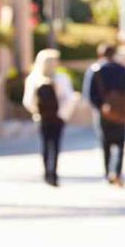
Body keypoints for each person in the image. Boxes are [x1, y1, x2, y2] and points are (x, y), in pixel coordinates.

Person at [23, 49, 75, 186]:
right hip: (57, 118)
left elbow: (28, 101)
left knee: (46, 145)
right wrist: (62, 115)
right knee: (55, 145)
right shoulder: (61, 79)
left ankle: (47, 173)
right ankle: (53, 173)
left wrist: (37, 112)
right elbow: (69, 98)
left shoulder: (33, 79)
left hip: (43, 118)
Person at [88, 44, 125, 187]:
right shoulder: (122, 70)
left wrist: (100, 107)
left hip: (104, 113)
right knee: (120, 143)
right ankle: (117, 172)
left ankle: (107, 173)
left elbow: (90, 94)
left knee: (106, 143)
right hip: (121, 112)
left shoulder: (96, 70)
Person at [82, 43, 110, 137]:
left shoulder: (94, 69)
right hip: (118, 108)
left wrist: (95, 105)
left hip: (100, 107)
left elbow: (88, 89)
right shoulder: (122, 69)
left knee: (103, 136)